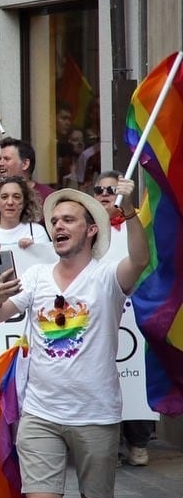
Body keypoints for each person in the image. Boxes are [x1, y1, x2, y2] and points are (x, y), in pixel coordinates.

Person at [0, 181, 148, 498]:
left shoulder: (106, 276)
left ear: (91, 230)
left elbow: (140, 260)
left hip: (96, 415)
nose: (58, 226)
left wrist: (132, 211)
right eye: (54, 220)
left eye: (69, 220)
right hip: (40, 414)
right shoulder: (37, 276)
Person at [91, 171, 156, 467]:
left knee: (135, 375)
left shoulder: (136, 224)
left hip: (134, 310)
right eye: (99, 189)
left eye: (111, 189)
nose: (105, 194)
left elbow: (145, 259)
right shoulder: (86, 230)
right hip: (101, 312)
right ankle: (111, 443)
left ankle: (138, 440)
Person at [0, 175, 50, 252]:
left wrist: (35, 249)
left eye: (16, 197)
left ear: (25, 202)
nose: (10, 202)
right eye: (4, 197)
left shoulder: (37, 232)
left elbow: (48, 264)